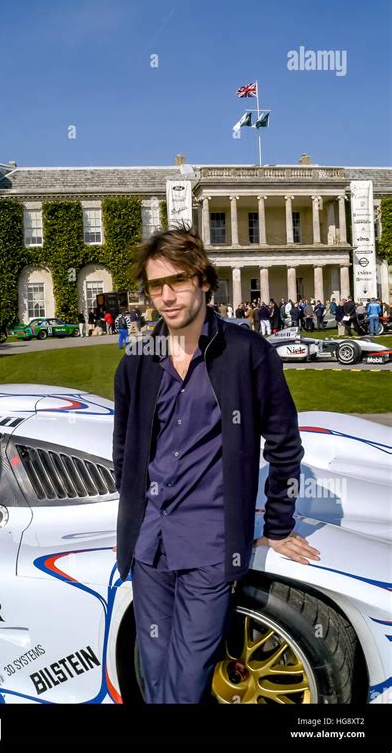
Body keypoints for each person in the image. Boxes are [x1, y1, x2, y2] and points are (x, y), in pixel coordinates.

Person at [112, 225, 320, 704]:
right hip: (149, 548)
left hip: (210, 546)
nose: (165, 297)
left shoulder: (248, 353)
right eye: (155, 286)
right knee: (157, 678)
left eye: (177, 282)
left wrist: (279, 524)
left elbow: (285, 444)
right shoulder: (138, 358)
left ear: (204, 281)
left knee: (183, 688)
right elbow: (125, 451)